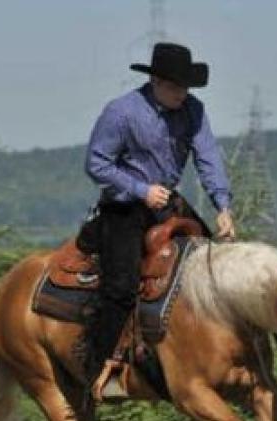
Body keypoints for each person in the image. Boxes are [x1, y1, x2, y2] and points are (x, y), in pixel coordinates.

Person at [79, 42, 236, 401]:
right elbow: (97, 163)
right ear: (156, 82)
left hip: (166, 204)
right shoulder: (121, 112)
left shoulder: (194, 110)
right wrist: (140, 189)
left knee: (210, 267)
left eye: (186, 87)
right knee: (120, 287)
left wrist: (222, 206)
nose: (183, 94)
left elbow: (208, 158)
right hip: (124, 208)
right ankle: (97, 372)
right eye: (177, 87)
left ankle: (199, 358)